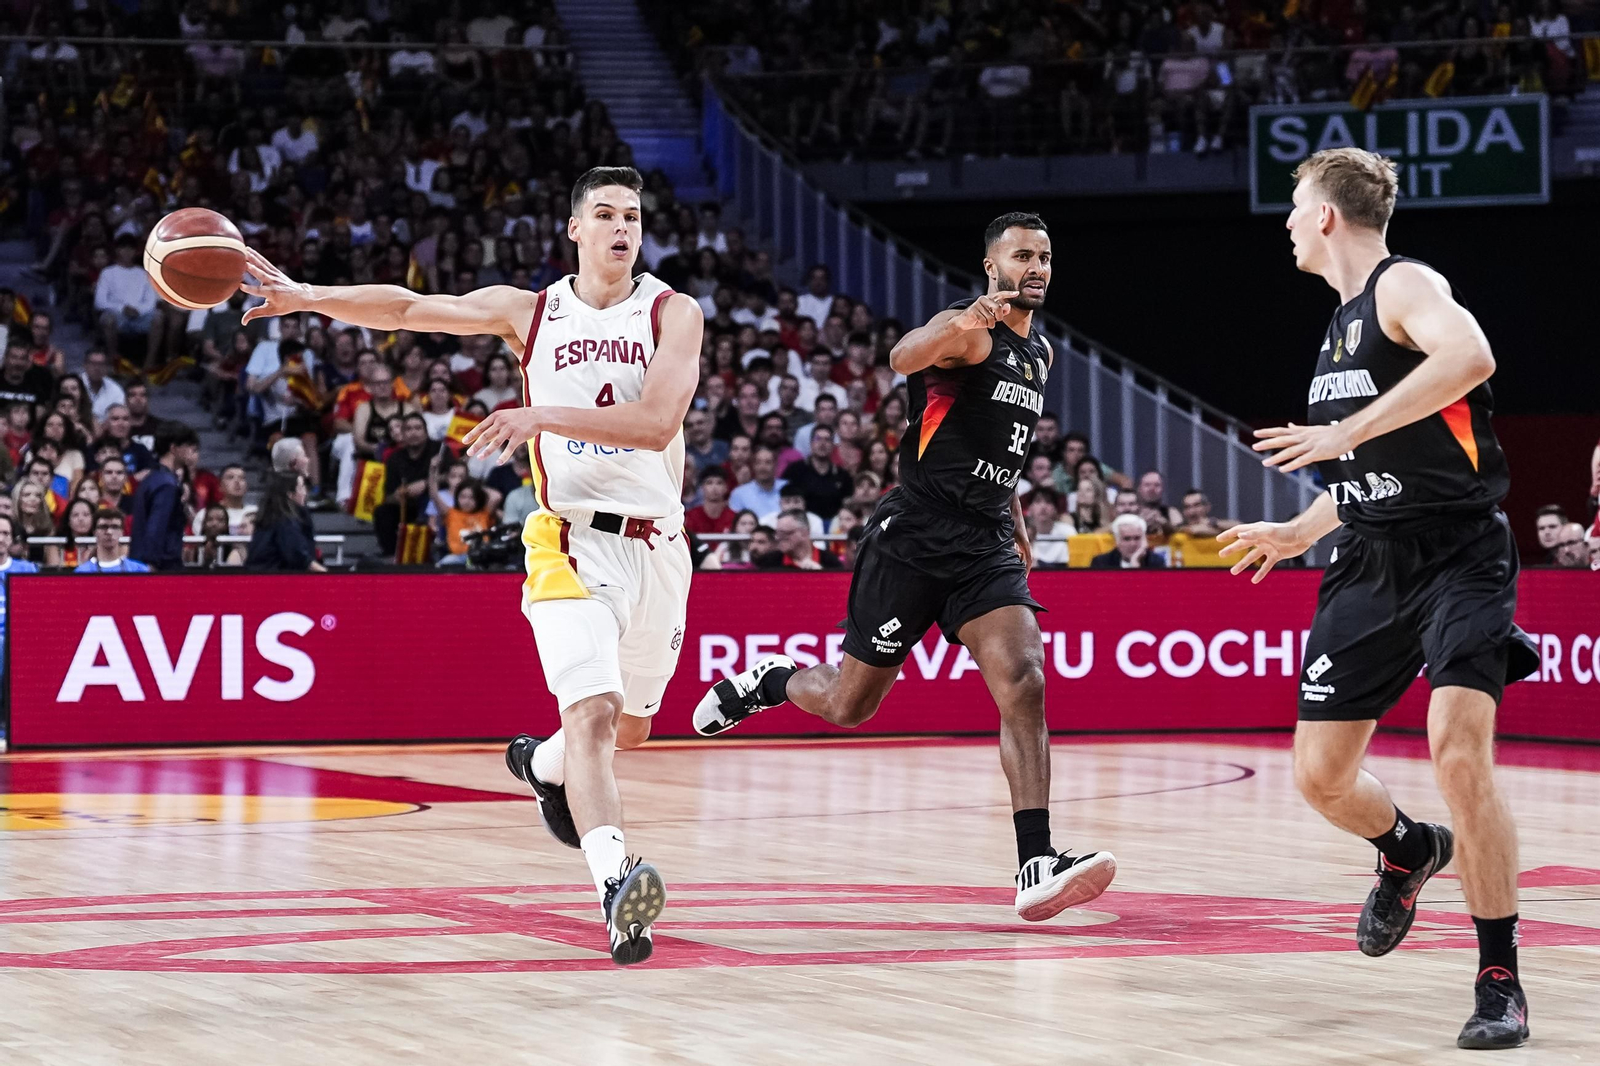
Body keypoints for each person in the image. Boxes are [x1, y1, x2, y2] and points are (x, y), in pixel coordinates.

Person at [241, 165, 702, 966]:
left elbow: (660, 422)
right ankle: (615, 887)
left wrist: (539, 413)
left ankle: (538, 762)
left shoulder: (674, 312)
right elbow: (409, 308)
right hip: (568, 541)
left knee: (629, 728)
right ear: (575, 229)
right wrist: (308, 294)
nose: (622, 227)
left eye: (632, 214)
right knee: (593, 712)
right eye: (605, 213)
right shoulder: (530, 312)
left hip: (660, 546)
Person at [694, 211, 1115, 921]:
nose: (1035, 267)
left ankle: (1035, 861)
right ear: (992, 267)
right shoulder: (966, 328)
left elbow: (1000, 443)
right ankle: (772, 679)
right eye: (1021, 256)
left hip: (982, 542)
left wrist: (1012, 519)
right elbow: (901, 357)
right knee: (849, 705)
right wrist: (957, 323)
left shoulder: (1039, 353)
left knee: (1026, 681)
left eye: (1044, 256)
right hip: (913, 537)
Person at [1218, 147, 1539, 1050]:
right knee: (1319, 776)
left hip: (1461, 554)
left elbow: (1472, 355)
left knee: (1457, 751)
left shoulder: (1405, 285)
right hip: (1366, 557)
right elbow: (1369, 465)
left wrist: (1343, 431)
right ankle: (1408, 849)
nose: (1284, 220)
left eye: (1291, 203)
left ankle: (1499, 977)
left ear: (1324, 215)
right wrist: (1299, 530)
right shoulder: (1334, 335)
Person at [130, 427, 199, 570]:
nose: (190, 451)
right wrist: (151, 563)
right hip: (163, 566)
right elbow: (156, 526)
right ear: (173, 448)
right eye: (187, 446)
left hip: (143, 562)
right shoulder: (167, 484)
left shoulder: (151, 479)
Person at [247, 472, 325, 572]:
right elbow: (299, 557)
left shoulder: (269, 517)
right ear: (290, 494)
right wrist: (327, 575)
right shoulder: (285, 521)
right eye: (301, 488)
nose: (305, 492)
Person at [0, 514, 41, 670]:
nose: (1, 538)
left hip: (19, 638)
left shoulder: (27, 570)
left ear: (12, 539)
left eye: (5, 533)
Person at [753, 508, 843, 570]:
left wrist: (822, 574)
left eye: (785, 533)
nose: (778, 538)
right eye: (778, 533)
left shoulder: (830, 562)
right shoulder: (768, 563)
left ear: (805, 532)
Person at [75, 507, 152, 572]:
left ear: (122, 532)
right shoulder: (82, 572)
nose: (109, 532)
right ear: (94, 532)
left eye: (115, 527)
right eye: (103, 527)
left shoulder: (139, 570)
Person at [1090, 513, 1165, 569]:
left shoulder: (1155, 562)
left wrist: (1135, 563)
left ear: (1144, 540)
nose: (1133, 544)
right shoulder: (1101, 563)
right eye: (1127, 539)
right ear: (1117, 541)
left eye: (1137, 538)